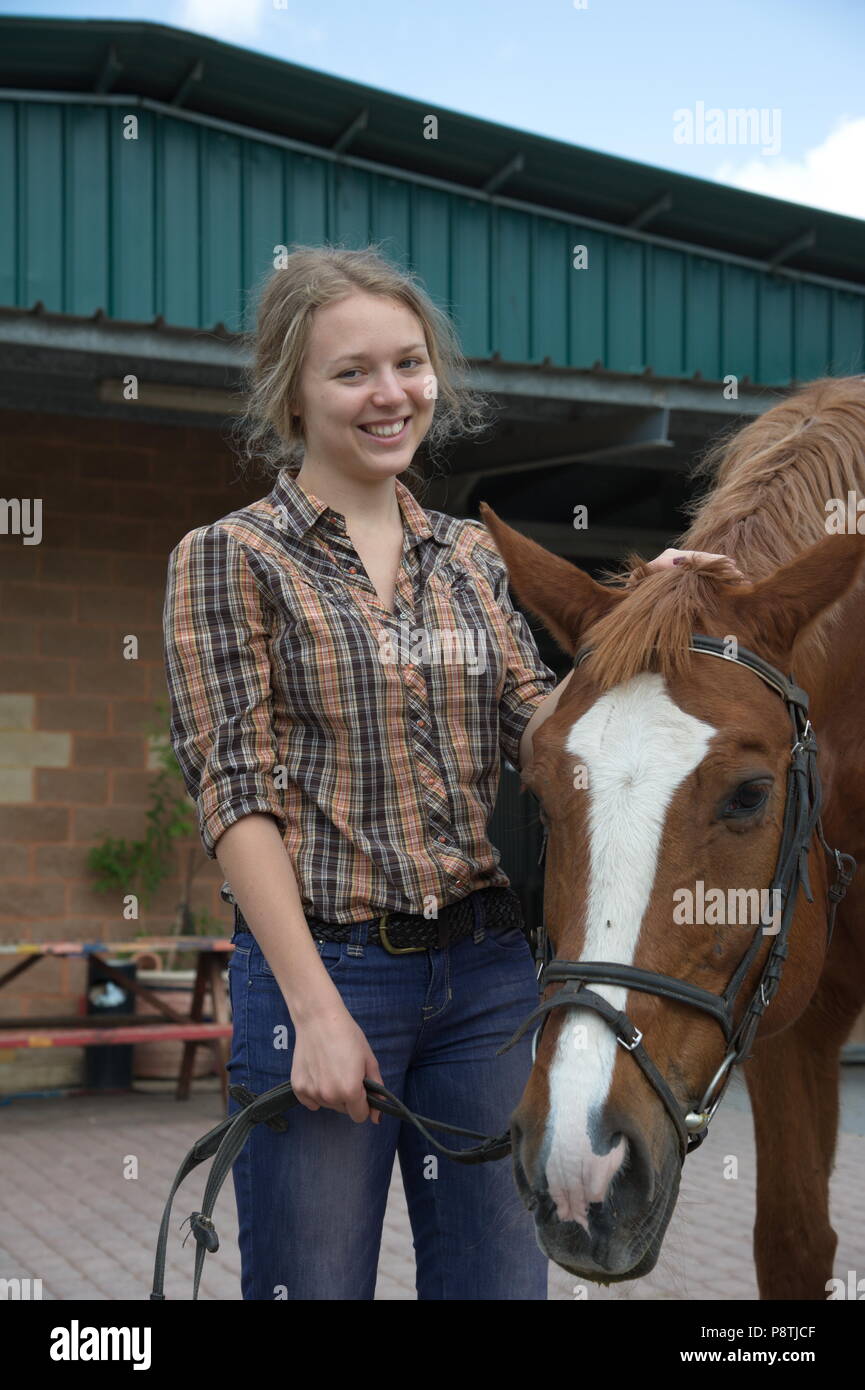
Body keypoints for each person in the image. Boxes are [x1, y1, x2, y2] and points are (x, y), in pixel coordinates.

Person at [162, 244, 742, 1301]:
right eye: (352, 372)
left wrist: (648, 606)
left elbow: (544, 729)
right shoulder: (232, 557)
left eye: (409, 363)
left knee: (498, 1290)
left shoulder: (469, 559)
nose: (391, 394)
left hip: (484, 982)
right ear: (292, 395)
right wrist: (315, 1010)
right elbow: (234, 794)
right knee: (314, 1286)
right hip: (327, 971)